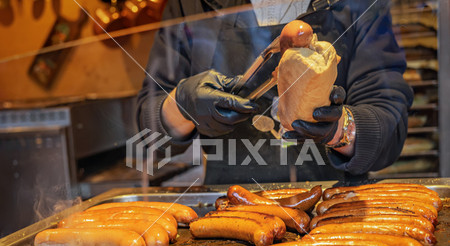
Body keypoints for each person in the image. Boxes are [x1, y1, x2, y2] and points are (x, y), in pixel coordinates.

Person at [137, 0, 413, 184]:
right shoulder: (193, 4)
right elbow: (147, 132)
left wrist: (339, 129)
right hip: (230, 210)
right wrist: (182, 105)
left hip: (335, 209)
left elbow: (390, 126)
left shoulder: (356, 4)